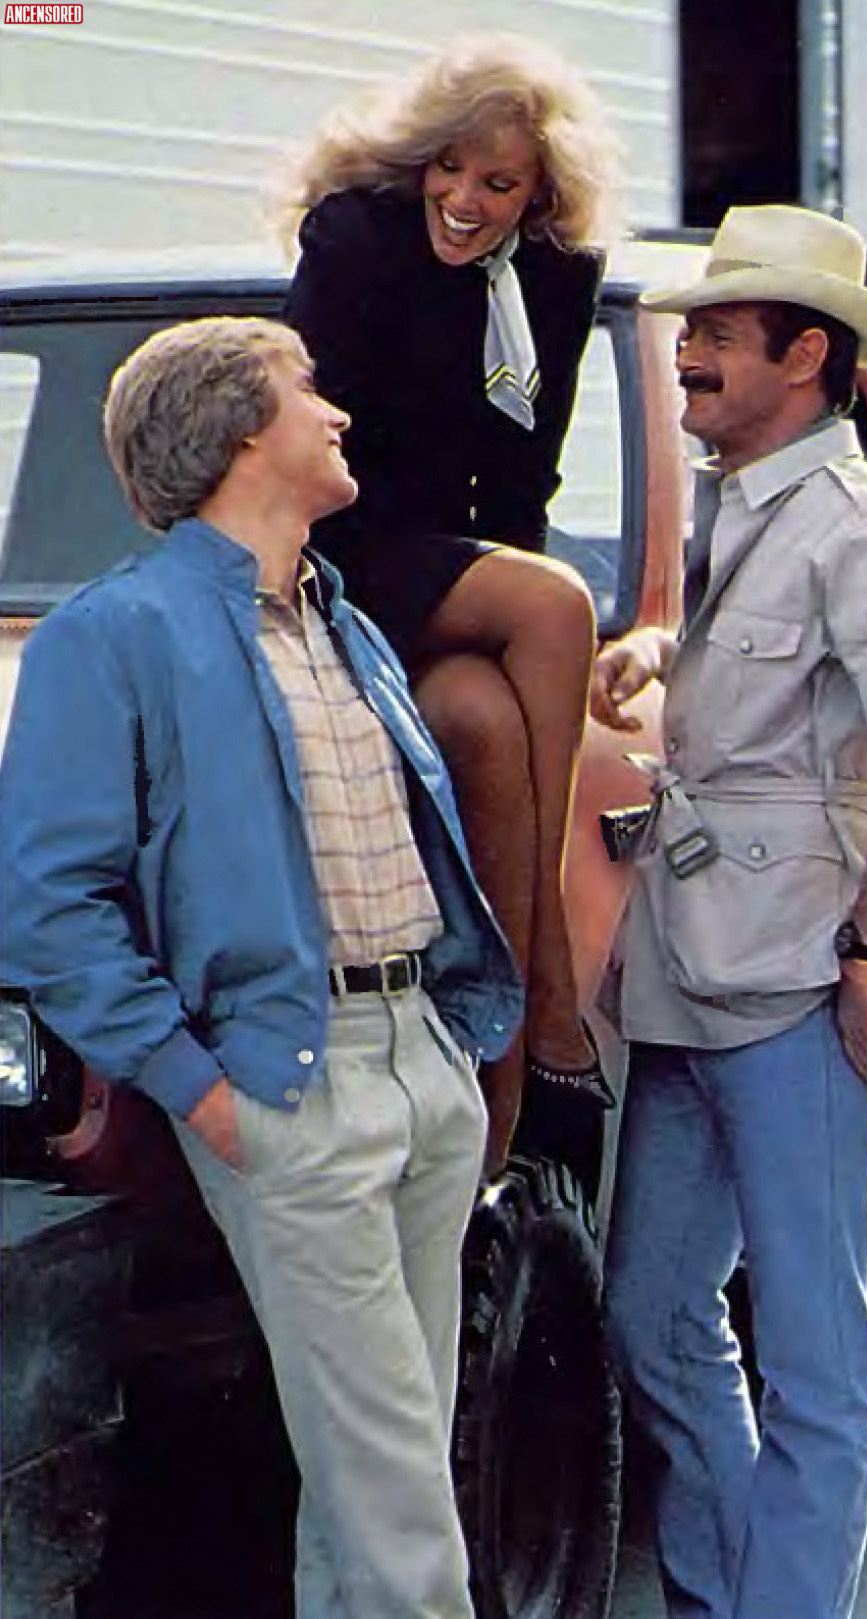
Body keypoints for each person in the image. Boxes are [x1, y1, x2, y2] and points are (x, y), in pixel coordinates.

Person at [0, 316, 523, 1619]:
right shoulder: (111, 635)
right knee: (401, 1505)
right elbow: (48, 906)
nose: (337, 413)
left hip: (421, 1056)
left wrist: (455, 1043)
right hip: (290, 1083)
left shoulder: (342, 624)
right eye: (306, 391)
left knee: (376, 1486)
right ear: (238, 432)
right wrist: (201, 1089)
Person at [591, 206, 867, 1619]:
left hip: (796, 984)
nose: (685, 353)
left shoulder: (855, 523)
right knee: (651, 1313)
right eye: (689, 330)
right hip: (686, 969)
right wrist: (661, 651)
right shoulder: (744, 498)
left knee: (817, 1362)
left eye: (716, 331)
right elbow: (773, 677)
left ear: (805, 355)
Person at [283, 34, 623, 1171]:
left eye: (499, 182)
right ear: (419, 157)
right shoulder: (355, 237)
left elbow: (524, 488)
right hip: (344, 548)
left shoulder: (555, 279)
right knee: (559, 607)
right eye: (450, 168)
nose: (465, 200)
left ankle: (496, 1106)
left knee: (482, 718)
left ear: (540, 196)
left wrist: (499, 616)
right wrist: (510, 598)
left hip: (454, 575)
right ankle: (556, 981)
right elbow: (312, 448)